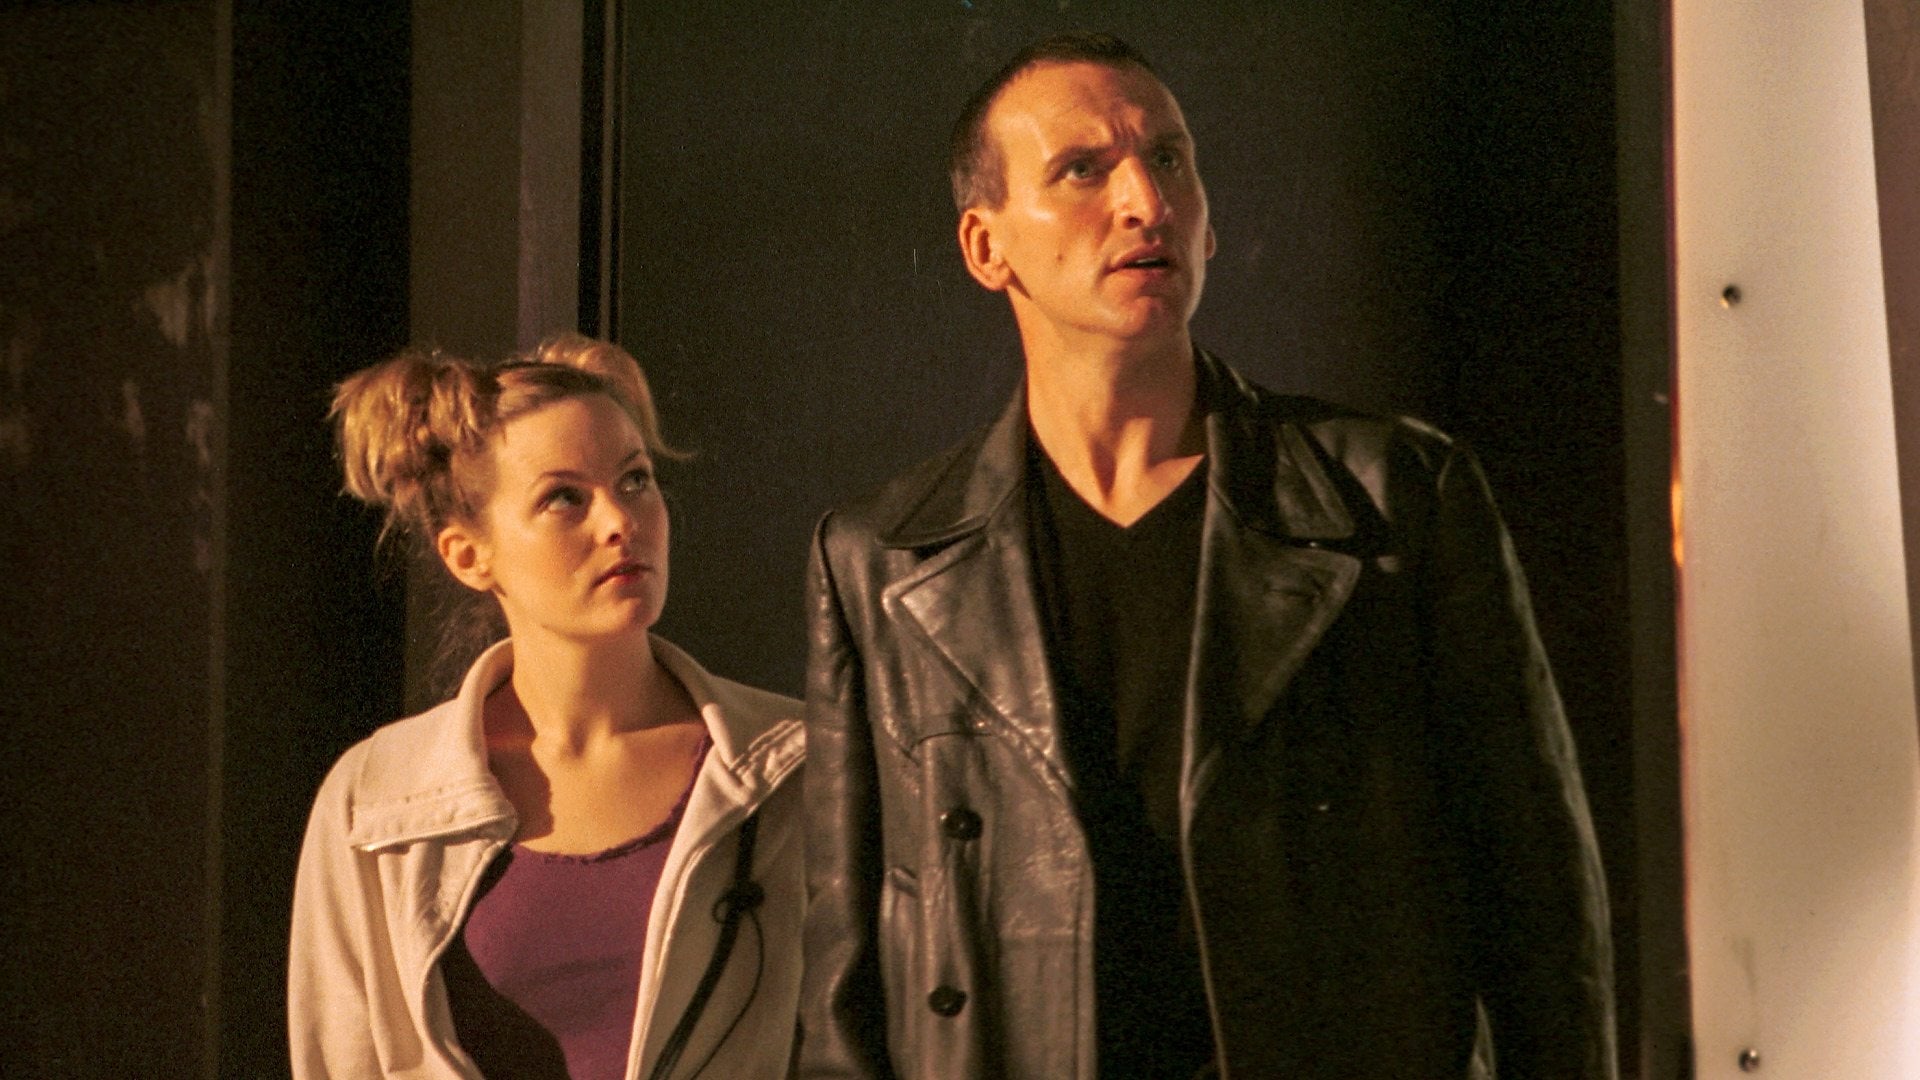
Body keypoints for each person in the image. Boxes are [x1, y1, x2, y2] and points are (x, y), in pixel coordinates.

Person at [798, 32, 1616, 1080]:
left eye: (1169, 158)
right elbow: (845, 985)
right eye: (1082, 169)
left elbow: (1539, 905)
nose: (1145, 200)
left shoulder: (1394, 498)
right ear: (985, 246)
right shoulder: (885, 560)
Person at [289, 335, 804, 1079]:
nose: (620, 521)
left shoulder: (797, 768)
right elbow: (343, 1061)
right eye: (564, 497)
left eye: (635, 479)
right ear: (469, 555)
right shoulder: (374, 802)